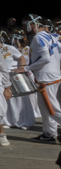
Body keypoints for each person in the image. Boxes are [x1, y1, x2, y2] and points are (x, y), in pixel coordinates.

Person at [27, 15, 61, 143]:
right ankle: (49, 134)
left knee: (51, 109)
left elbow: (45, 58)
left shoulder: (38, 37)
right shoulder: (52, 35)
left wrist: (28, 68)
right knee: (44, 108)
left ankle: (50, 133)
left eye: (28, 24)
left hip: (46, 78)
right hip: (53, 75)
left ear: (33, 24)